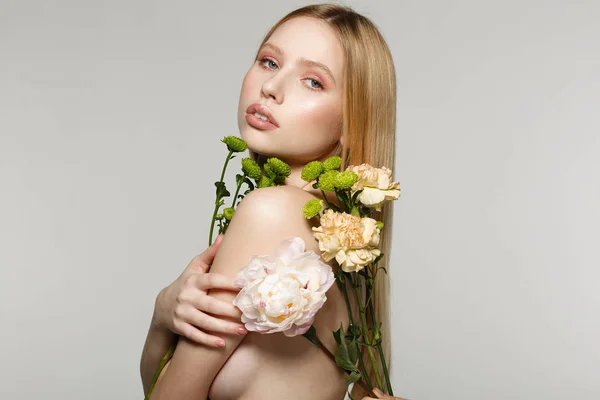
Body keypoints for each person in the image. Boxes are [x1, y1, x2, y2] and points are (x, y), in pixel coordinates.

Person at [140, 4, 403, 400]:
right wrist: (164, 314)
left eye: (313, 82)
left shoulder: (269, 211)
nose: (271, 87)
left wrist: (161, 318)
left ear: (352, 121)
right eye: (268, 61)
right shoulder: (347, 243)